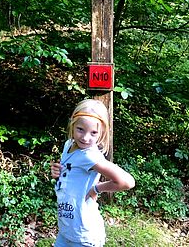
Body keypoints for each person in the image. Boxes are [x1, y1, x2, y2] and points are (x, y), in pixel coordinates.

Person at [51, 99, 135, 247]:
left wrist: (97, 188)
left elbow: (127, 182)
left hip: (85, 235)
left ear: (102, 132)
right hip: (67, 229)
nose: (85, 137)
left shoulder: (89, 155)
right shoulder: (69, 144)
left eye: (94, 132)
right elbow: (70, 172)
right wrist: (57, 171)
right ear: (72, 124)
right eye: (80, 129)